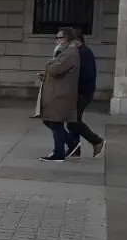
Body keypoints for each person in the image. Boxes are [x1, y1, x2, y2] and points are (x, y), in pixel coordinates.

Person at [37, 27, 82, 163]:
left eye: (58, 38)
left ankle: (59, 153)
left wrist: (50, 63)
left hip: (61, 94)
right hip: (57, 92)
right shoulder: (65, 52)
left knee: (55, 122)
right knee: (49, 120)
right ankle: (71, 144)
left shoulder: (69, 53)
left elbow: (56, 69)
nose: (56, 41)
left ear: (66, 39)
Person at [65, 29, 105, 158]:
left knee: (73, 121)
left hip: (82, 93)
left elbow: (85, 75)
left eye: (69, 40)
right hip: (78, 92)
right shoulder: (78, 52)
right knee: (73, 120)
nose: (67, 43)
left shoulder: (84, 53)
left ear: (77, 40)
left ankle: (97, 141)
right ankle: (75, 149)